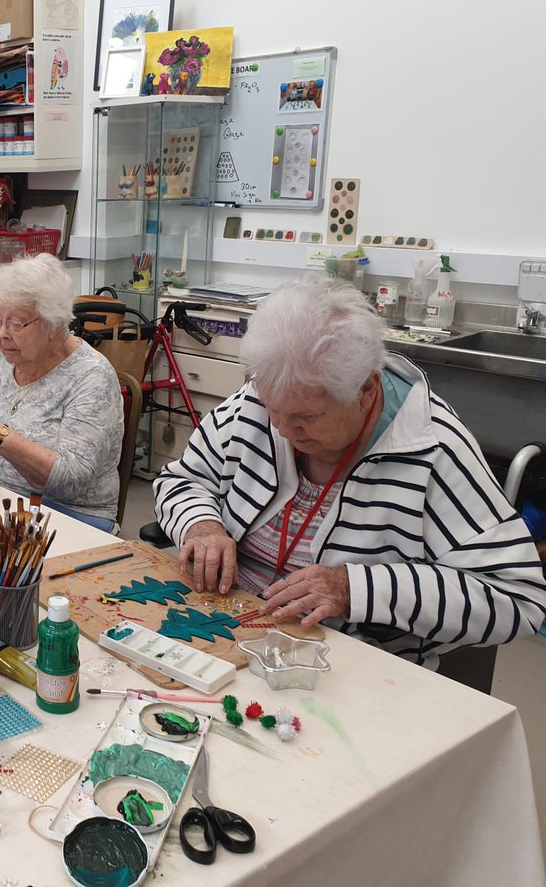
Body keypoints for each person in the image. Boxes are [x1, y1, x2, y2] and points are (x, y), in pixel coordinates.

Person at [153, 276, 546, 666]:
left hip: (347, 662)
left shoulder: (432, 450)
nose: (283, 430)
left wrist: (355, 588)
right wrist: (201, 524)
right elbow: (182, 480)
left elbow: (517, 599)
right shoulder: (262, 399)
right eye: (273, 408)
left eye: (308, 417)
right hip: (228, 623)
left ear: (367, 391)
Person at [0, 254, 123, 531]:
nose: (1, 335)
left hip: (61, 516)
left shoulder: (91, 376)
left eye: (17, 324)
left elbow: (69, 483)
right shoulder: (1, 354)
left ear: (54, 325)